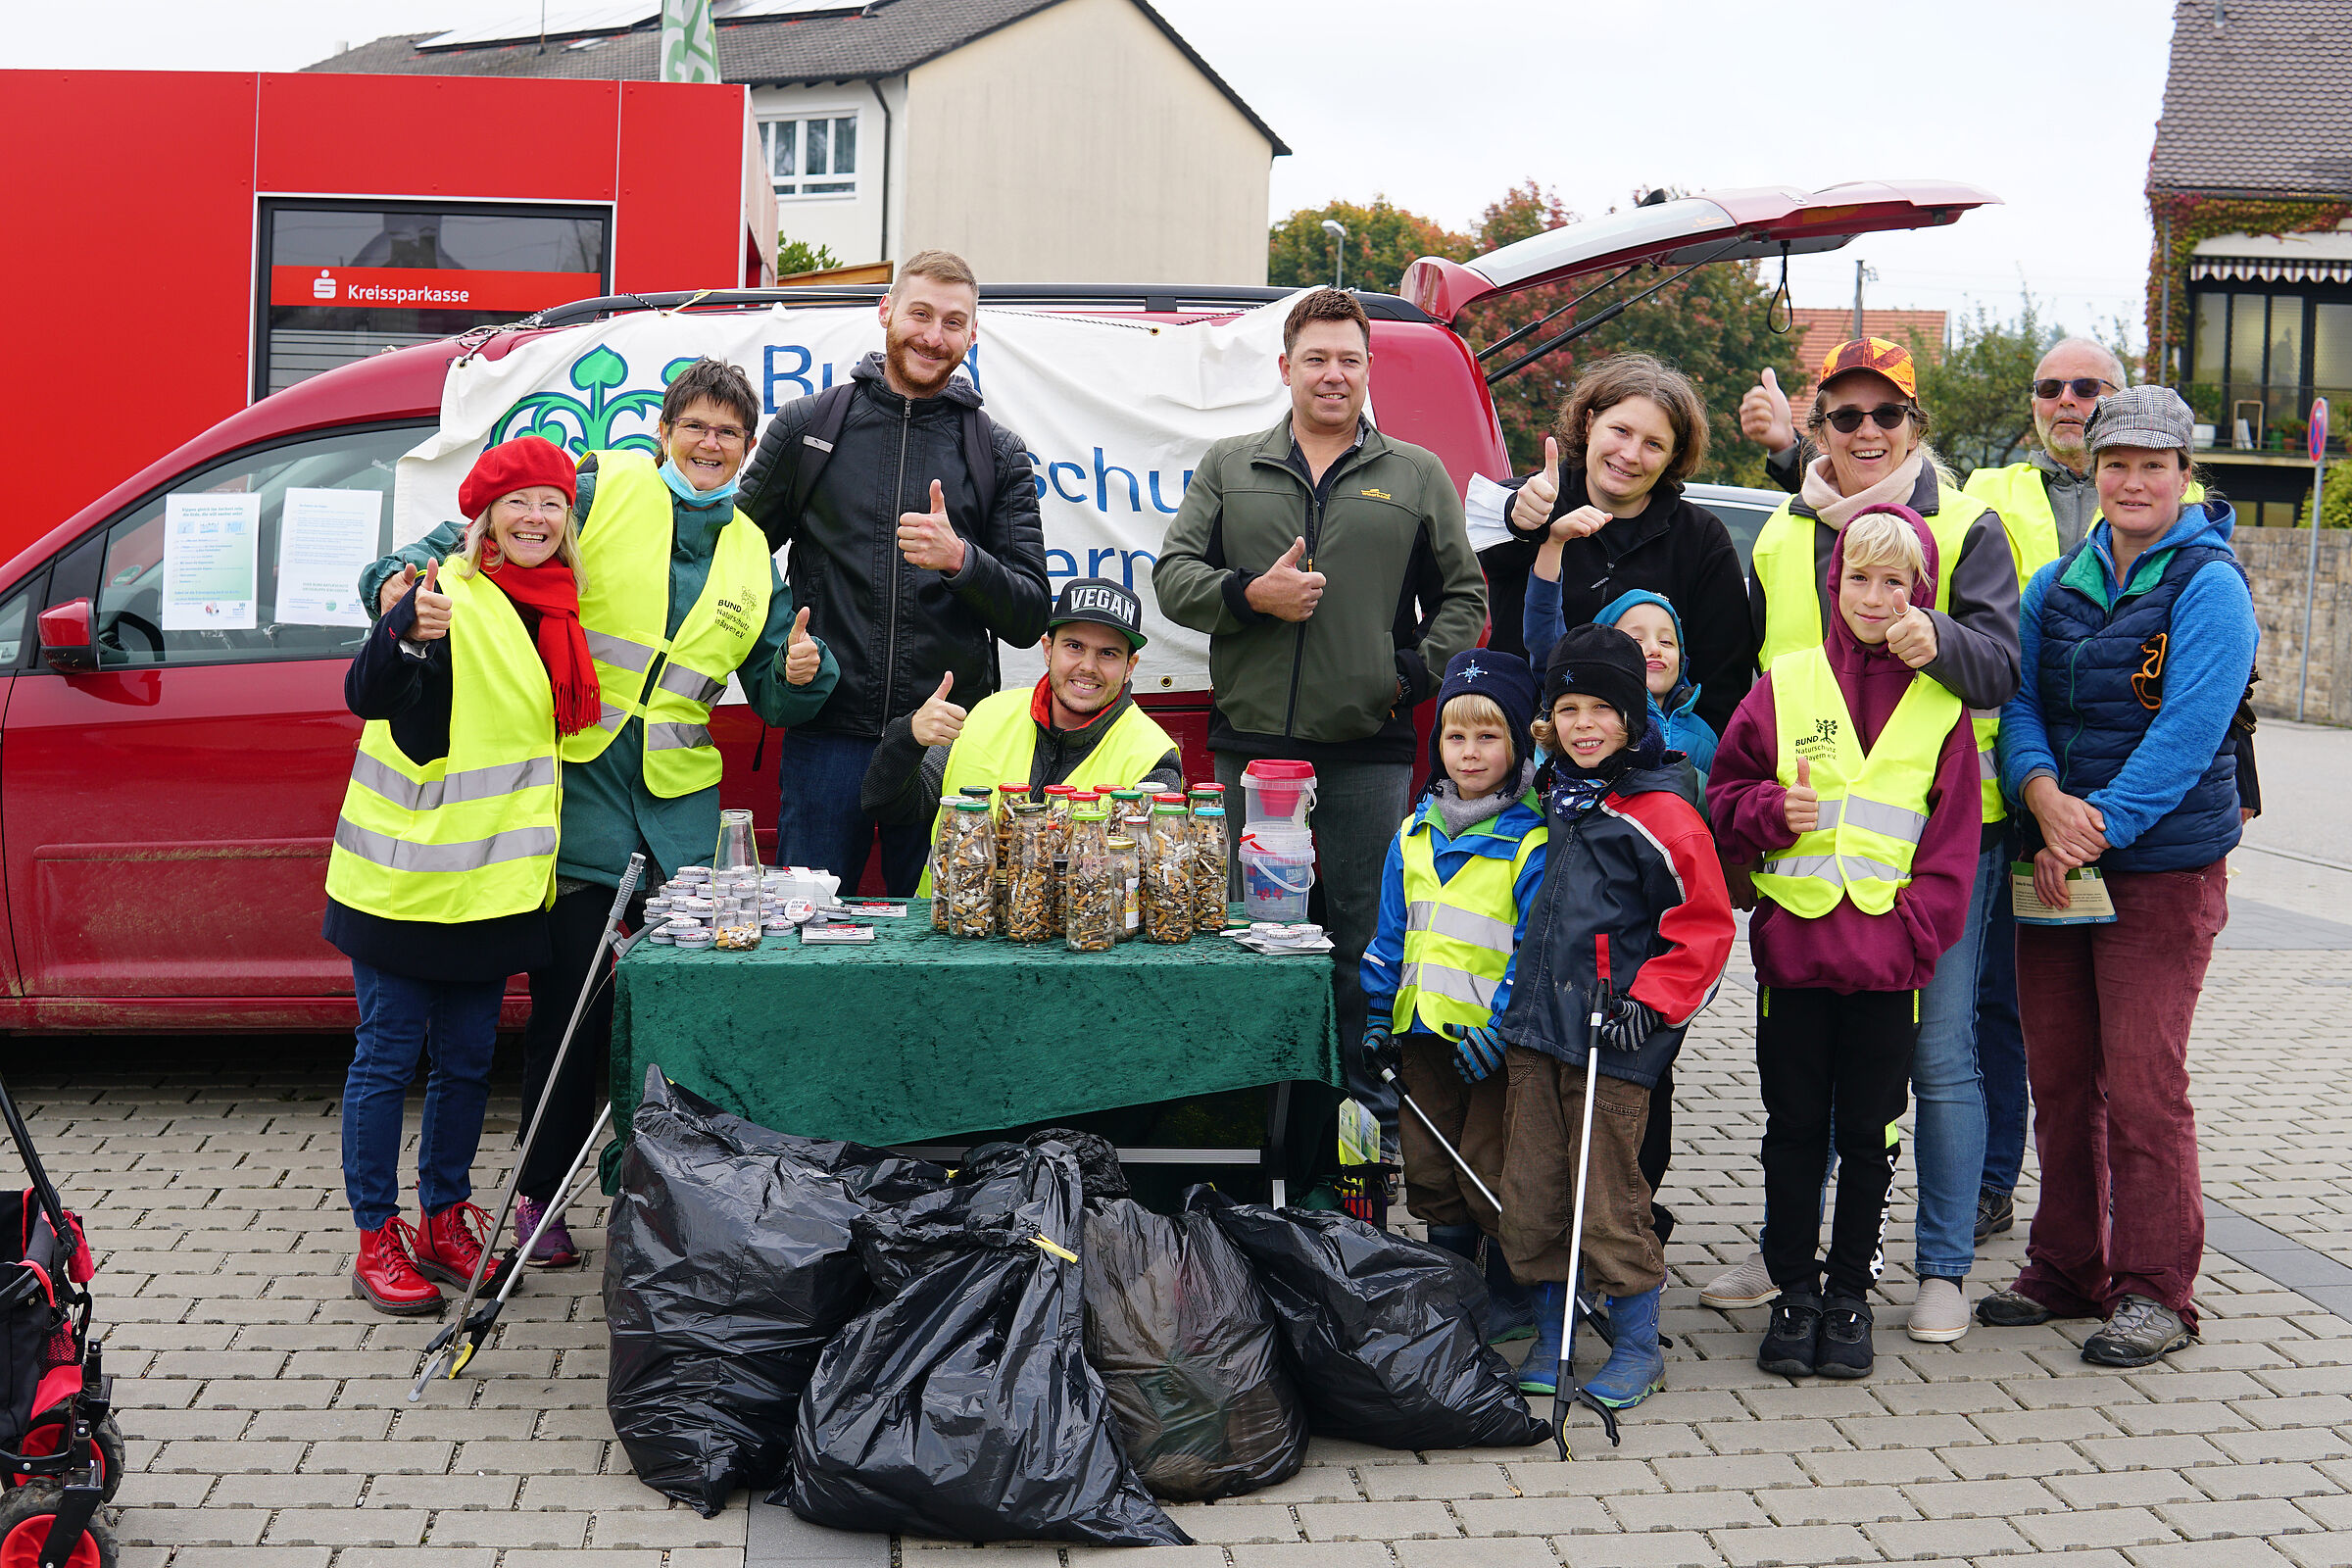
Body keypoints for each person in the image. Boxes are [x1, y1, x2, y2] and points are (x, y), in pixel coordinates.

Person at [363, 359, 839, 1269]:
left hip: (684, 822)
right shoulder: (601, 483)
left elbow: (777, 689)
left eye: (729, 434)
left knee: (680, 1016)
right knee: (571, 1015)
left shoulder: (749, 547)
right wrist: (397, 578)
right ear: (664, 431)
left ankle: (681, 1206)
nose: (710, 444)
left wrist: (804, 676)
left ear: (745, 452)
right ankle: (538, 1202)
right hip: (580, 795)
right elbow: (487, 528)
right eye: (696, 425)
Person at [1702, 338, 2018, 1345]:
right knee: (1806, 1091)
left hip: (1930, 849)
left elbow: (2003, 668)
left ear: (1916, 427)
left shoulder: (1966, 521)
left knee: (1937, 1062)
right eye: (1846, 416)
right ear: (1819, 428)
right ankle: (1793, 1255)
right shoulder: (1787, 530)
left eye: (1887, 415)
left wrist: (1941, 641)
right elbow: (1757, 678)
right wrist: (1753, 831)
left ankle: (1939, 1266)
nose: (1867, 432)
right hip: (1808, 870)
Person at [1152, 286, 1489, 1141]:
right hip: (1253, 747)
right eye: (1316, 359)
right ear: (1286, 368)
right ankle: (1244, 1112)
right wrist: (1249, 594)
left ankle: (1360, 1117)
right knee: (1248, 933)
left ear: (1369, 371)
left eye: (1348, 360)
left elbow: (1464, 595)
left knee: (1361, 939)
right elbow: (1173, 577)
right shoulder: (1232, 465)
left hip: (1366, 746)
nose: (1332, 375)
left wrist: (1408, 675)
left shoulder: (1413, 474)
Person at [1977, 386, 2255, 1366]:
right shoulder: (2056, 583)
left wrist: (2093, 828)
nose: (2134, 481)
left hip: (2161, 870)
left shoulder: (2210, 584)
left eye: (2154, 464)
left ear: (2185, 475)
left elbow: (2189, 729)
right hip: (2053, 855)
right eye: (2116, 463)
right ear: (2091, 473)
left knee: (2143, 1084)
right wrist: (2040, 792)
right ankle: (2065, 1266)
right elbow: (2016, 703)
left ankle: (2156, 1292)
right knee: (2059, 1076)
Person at [325, 436, 586, 1314]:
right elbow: (367, 693)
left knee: (470, 1062)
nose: (536, 519)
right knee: (388, 1060)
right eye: (517, 504)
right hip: (401, 885)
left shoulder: (556, 612)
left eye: (551, 503)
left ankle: (442, 1217)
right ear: (482, 518)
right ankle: (375, 1236)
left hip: (492, 888)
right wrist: (402, 628)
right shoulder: (446, 592)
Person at [738, 249, 1051, 894]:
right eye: (920, 314)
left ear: (972, 334)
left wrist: (963, 561)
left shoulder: (998, 453)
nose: (934, 337)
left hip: (947, 744)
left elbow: (1029, 616)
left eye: (954, 322)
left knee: (946, 946)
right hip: (826, 737)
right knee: (807, 946)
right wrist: (779, 655)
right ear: (885, 312)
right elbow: (731, 560)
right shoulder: (809, 427)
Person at [1493, 623, 1735, 1407]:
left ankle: (1635, 1343)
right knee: (1528, 1194)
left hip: (1613, 1036)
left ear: (1633, 717)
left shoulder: (1659, 810)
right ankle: (1553, 1330)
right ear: (1548, 723)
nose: (1585, 724)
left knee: (1607, 1195)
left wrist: (1652, 1004)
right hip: (1538, 1031)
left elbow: (1705, 923)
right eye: (1568, 709)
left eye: (1603, 708)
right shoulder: (1553, 795)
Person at [1359, 649, 1546, 1343]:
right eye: (1455, 736)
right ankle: (1449, 1280)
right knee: (1432, 1166)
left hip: (1490, 1045)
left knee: (1489, 1168)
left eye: (1489, 736)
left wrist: (1500, 1032)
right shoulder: (1413, 834)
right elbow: (1389, 935)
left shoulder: (1531, 842)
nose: (1470, 753)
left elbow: (1532, 954)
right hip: (1422, 1037)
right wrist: (1379, 1015)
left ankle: (1507, 1293)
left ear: (1519, 741)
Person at [1486, 354, 1753, 739]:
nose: (1630, 455)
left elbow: (1722, 680)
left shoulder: (1701, 539)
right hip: (1520, 758)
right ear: (1590, 422)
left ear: (1674, 456)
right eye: (1621, 430)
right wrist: (1518, 516)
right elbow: (1492, 537)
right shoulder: (1535, 501)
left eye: (1654, 444)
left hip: (1647, 772)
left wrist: (1683, 766)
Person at [859, 576, 1182, 840]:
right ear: (1047, 649)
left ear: (1130, 666)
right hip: (955, 916)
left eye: (1108, 653)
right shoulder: (987, 714)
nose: (1088, 666)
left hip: (1084, 920)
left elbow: (1149, 872)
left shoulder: (1153, 757)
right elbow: (887, 805)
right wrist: (909, 736)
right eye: (1074, 646)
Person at [1526, 587, 1717, 778]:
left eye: (1666, 641)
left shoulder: (1705, 736)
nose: (1654, 649)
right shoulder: (1573, 724)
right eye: (1635, 640)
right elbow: (1543, 633)